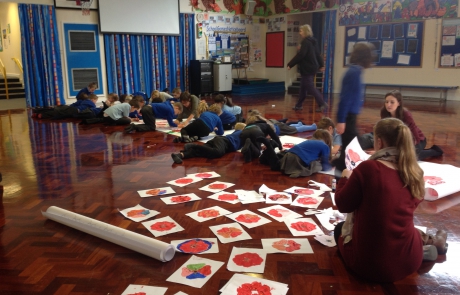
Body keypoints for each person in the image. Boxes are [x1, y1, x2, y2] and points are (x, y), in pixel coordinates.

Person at [334, 118, 448, 283]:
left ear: (379, 142)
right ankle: (430, 245)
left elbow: (343, 205)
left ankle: (430, 245)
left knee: (339, 230)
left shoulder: (369, 168)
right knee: (402, 226)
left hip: (368, 266)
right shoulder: (414, 172)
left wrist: (344, 178)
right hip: (409, 261)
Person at [333, 43, 375, 172]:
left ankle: (339, 165)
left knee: (350, 146)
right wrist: (341, 120)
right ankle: (341, 169)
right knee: (351, 146)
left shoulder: (356, 71)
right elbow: (345, 98)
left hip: (350, 116)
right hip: (347, 116)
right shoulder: (354, 72)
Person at [380, 90, 443, 160]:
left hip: (417, 140)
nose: (388, 105)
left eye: (392, 102)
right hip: (401, 141)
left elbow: (414, 133)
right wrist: (380, 151)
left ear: (399, 103)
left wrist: (409, 150)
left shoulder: (406, 114)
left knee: (409, 158)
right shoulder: (384, 113)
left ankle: (434, 151)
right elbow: (385, 133)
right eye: (386, 102)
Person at [287, 24, 327, 112]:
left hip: (308, 68)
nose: (299, 33)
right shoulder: (313, 41)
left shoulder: (305, 42)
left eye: (301, 31)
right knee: (303, 87)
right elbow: (318, 54)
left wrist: (290, 64)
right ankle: (299, 105)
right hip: (312, 67)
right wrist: (321, 64)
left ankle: (322, 103)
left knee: (310, 86)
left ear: (305, 32)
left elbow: (301, 55)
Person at [258, 129, 332, 177]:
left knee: (264, 160)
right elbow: (325, 166)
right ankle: (269, 145)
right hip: (297, 159)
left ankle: (272, 144)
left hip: (289, 154)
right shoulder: (324, 146)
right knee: (275, 166)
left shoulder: (309, 141)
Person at [171, 123, 246, 164]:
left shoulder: (239, 134)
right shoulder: (242, 132)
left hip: (219, 141)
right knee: (217, 152)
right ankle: (194, 145)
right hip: (223, 142)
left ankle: (180, 155)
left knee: (202, 152)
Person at [33, 94, 100, 119]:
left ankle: (38, 112)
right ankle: (41, 115)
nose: (95, 102)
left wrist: (70, 106)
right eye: (95, 100)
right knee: (58, 113)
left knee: (56, 109)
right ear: (93, 99)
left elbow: (75, 104)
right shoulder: (92, 104)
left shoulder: (83, 100)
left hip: (71, 108)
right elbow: (92, 110)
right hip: (75, 111)